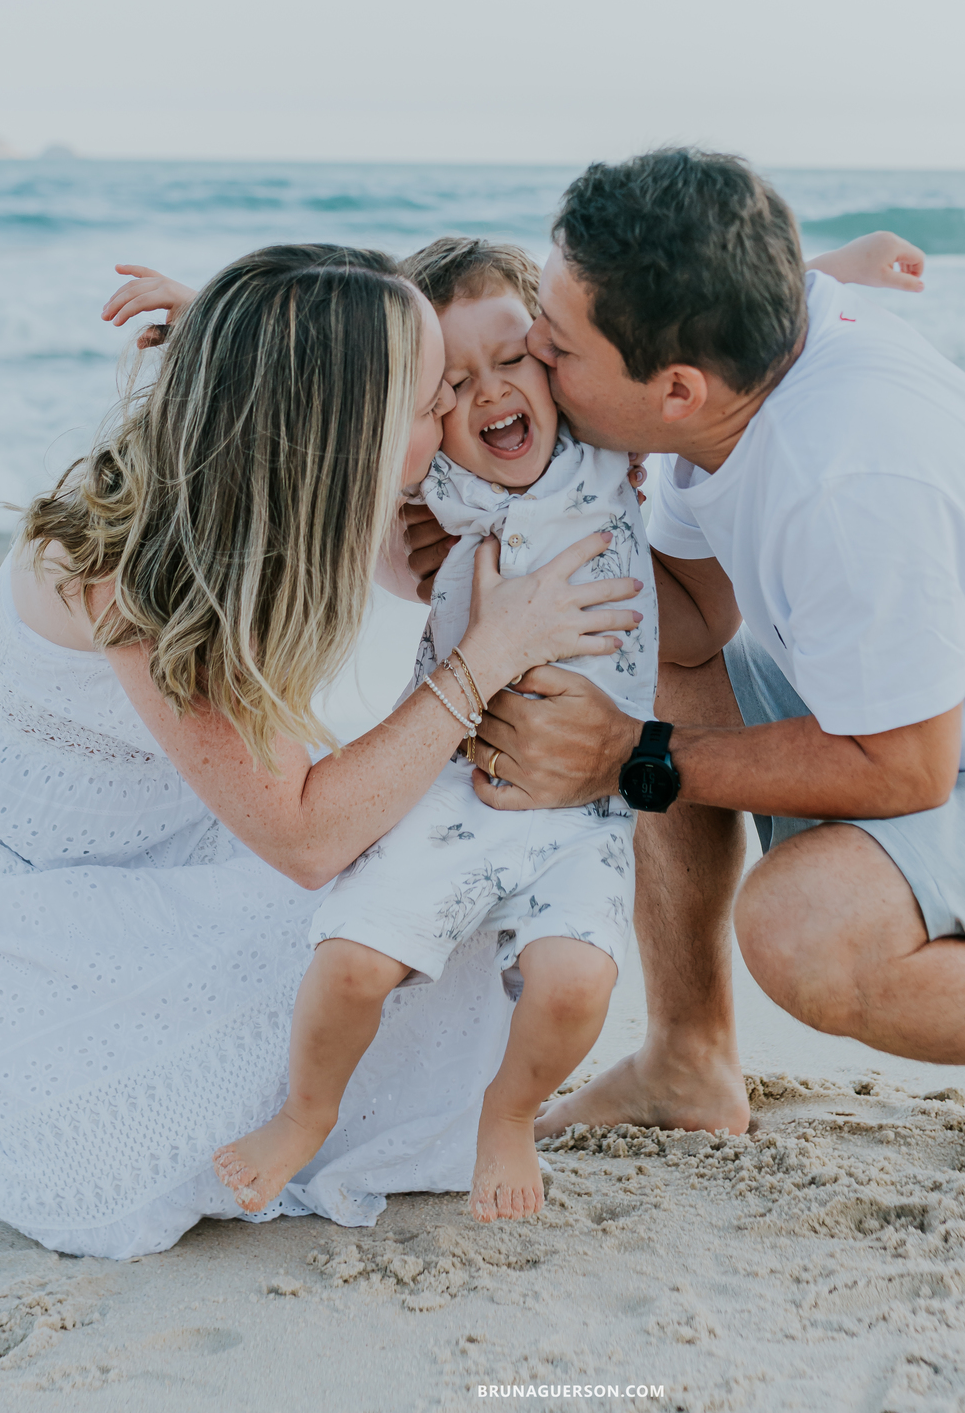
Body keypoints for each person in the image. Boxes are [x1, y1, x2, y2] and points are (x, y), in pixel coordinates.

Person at [458, 148, 965, 1252]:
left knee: (803, 929)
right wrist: (487, 519)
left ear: (676, 387)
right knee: (647, 659)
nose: (537, 365)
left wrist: (623, 759)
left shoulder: (846, 475)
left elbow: (903, 768)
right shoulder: (756, 358)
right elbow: (690, 623)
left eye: (558, 348)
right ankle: (688, 1061)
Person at [0, 243, 640, 1259]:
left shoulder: (277, 472)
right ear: (345, 429)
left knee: (455, 878)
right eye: (427, 406)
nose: (445, 426)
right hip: (53, 897)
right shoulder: (130, 563)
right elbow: (305, 839)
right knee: (379, 909)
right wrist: (489, 649)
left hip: (195, 831)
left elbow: (492, 325)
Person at [212, 238, 659, 1224]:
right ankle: (305, 1114)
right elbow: (314, 388)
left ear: (559, 357)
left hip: (585, 808)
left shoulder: (611, 447)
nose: (489, 392)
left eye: (515, 361)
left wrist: (832, 268)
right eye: (449, 386)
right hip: (458, 782)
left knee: (578, 982)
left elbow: (689, 315)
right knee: (352, 964)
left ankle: (507, 1113)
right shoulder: (447, 493)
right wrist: (205, 314)